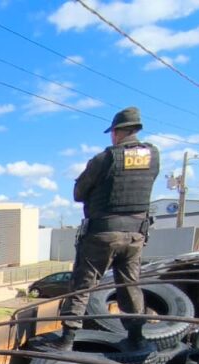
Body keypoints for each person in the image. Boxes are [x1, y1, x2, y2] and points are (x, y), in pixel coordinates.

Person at [58, 107, 160, 351]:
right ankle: (136, 337)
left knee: (83, 283)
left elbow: (79, 193)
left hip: (102, 233)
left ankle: (67, 339)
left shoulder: (105, 159)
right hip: (136, 234)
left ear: (116, 132)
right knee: (129, 284)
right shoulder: (153, 156)